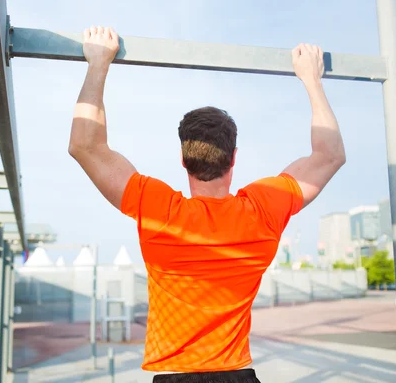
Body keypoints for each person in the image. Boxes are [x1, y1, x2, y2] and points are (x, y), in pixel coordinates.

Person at [69, 26, 346, 383]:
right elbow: (329, 155)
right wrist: (312, 80)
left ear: (183, 160)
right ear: (233, 158)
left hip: (176, 377)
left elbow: (85, 146)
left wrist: (97, 64)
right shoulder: (262, 210)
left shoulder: (158, 211)